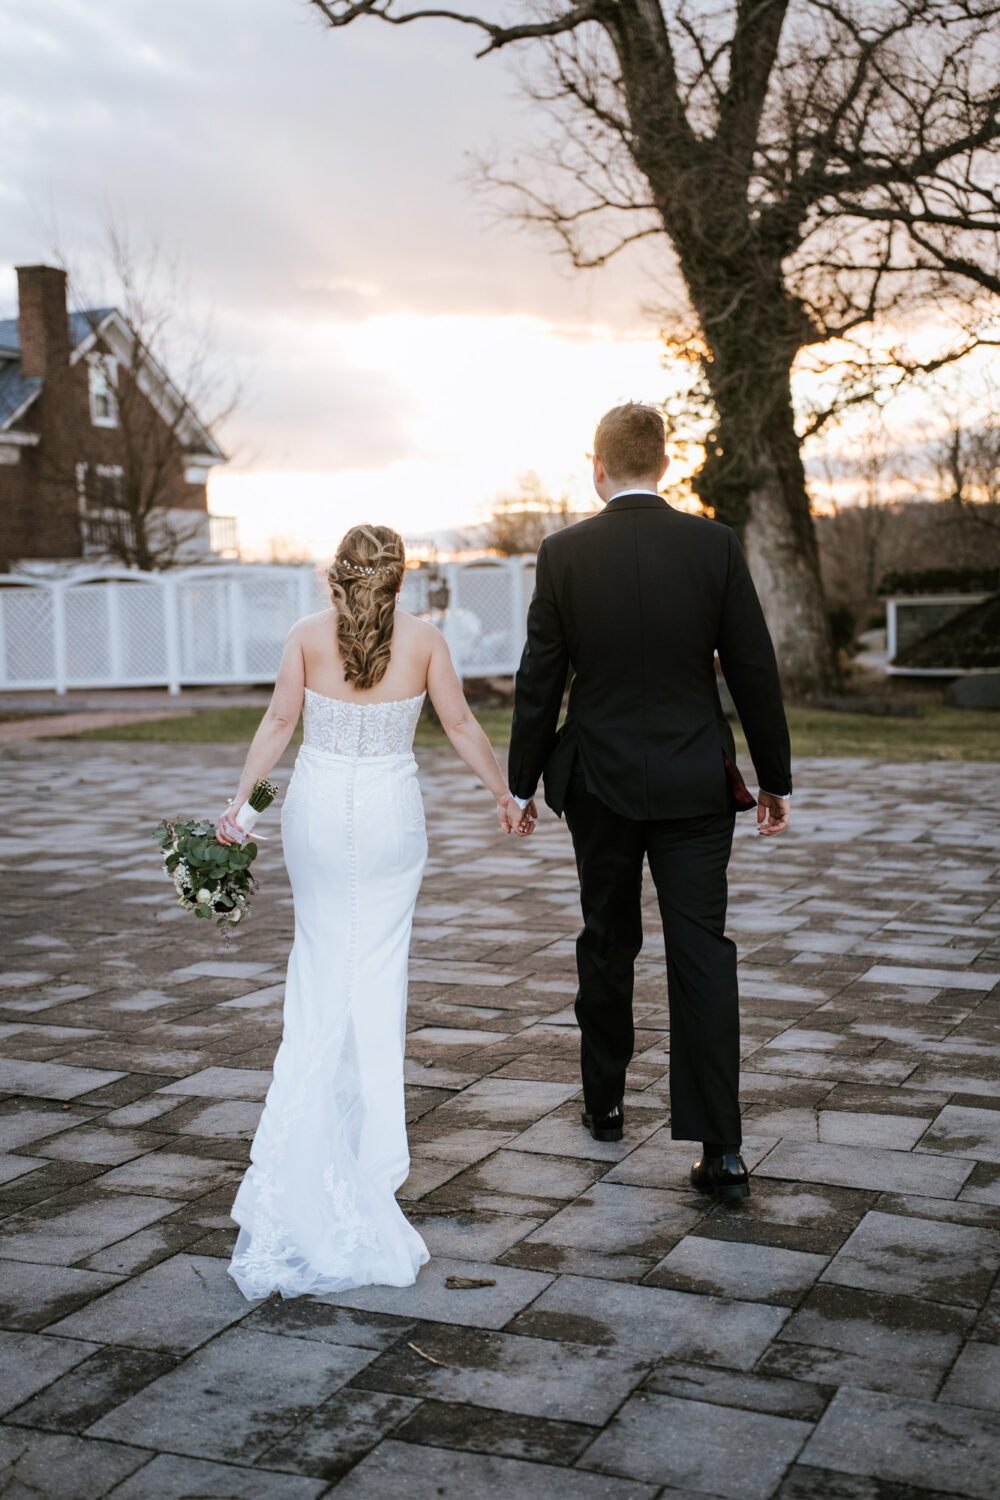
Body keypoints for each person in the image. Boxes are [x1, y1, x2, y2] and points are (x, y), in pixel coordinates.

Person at [218, 523, 531, 1299]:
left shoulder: (302, 636)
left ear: (338, 575)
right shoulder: (424, 639)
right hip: (390, 819)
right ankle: (363, 1162)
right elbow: (459, 724)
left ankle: (309, 1145)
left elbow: (279, 728)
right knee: (376, 981)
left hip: (319, 813)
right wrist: (504, 794)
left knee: (319, 968)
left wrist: (241, 810)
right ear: (399, 577)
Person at [507, 403, 791, 1200]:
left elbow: (540, 679)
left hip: (597, 781)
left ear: (596, 466)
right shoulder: (713, 545)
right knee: (701, 949)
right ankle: (722, 1153)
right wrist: (775, 778)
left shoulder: (563, 554)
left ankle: (603, 1104)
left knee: (607, 936)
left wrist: (521, 782)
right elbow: (753, 668)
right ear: (665, 464)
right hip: (695, 782)